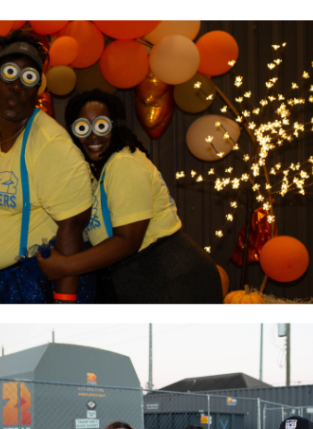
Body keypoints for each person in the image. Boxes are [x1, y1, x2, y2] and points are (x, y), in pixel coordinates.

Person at [37, 89, 221, 304]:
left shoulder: (124, 163)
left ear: (115, 126)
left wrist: (64, 266)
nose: (93, 135)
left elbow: (127, 241)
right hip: (144, 278)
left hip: (173, 278)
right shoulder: (98, 172)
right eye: (82, 128)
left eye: (101, 126)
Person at [0, 31, 93, 304]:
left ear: (38, 89)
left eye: (28, 77)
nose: (16, 86)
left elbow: (72, 227)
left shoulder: (50, 146)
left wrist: (63, 304)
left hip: (28, 286)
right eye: (9, 74)